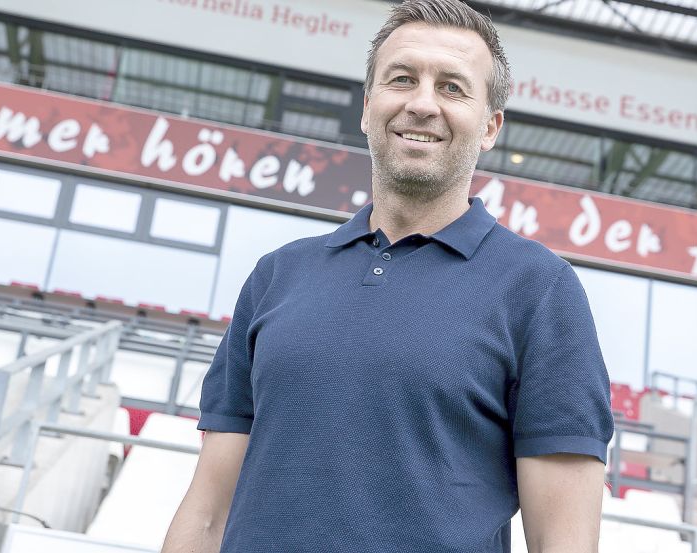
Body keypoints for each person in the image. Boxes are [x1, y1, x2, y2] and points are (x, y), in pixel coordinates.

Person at [162, 1, 613, 551]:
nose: (423, 103)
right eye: (403, 79)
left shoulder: (541, 290)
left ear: (491, 126)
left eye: (453, 88)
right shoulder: (277, 275)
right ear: (369, 105)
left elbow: (562, 541)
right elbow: (207, 512)